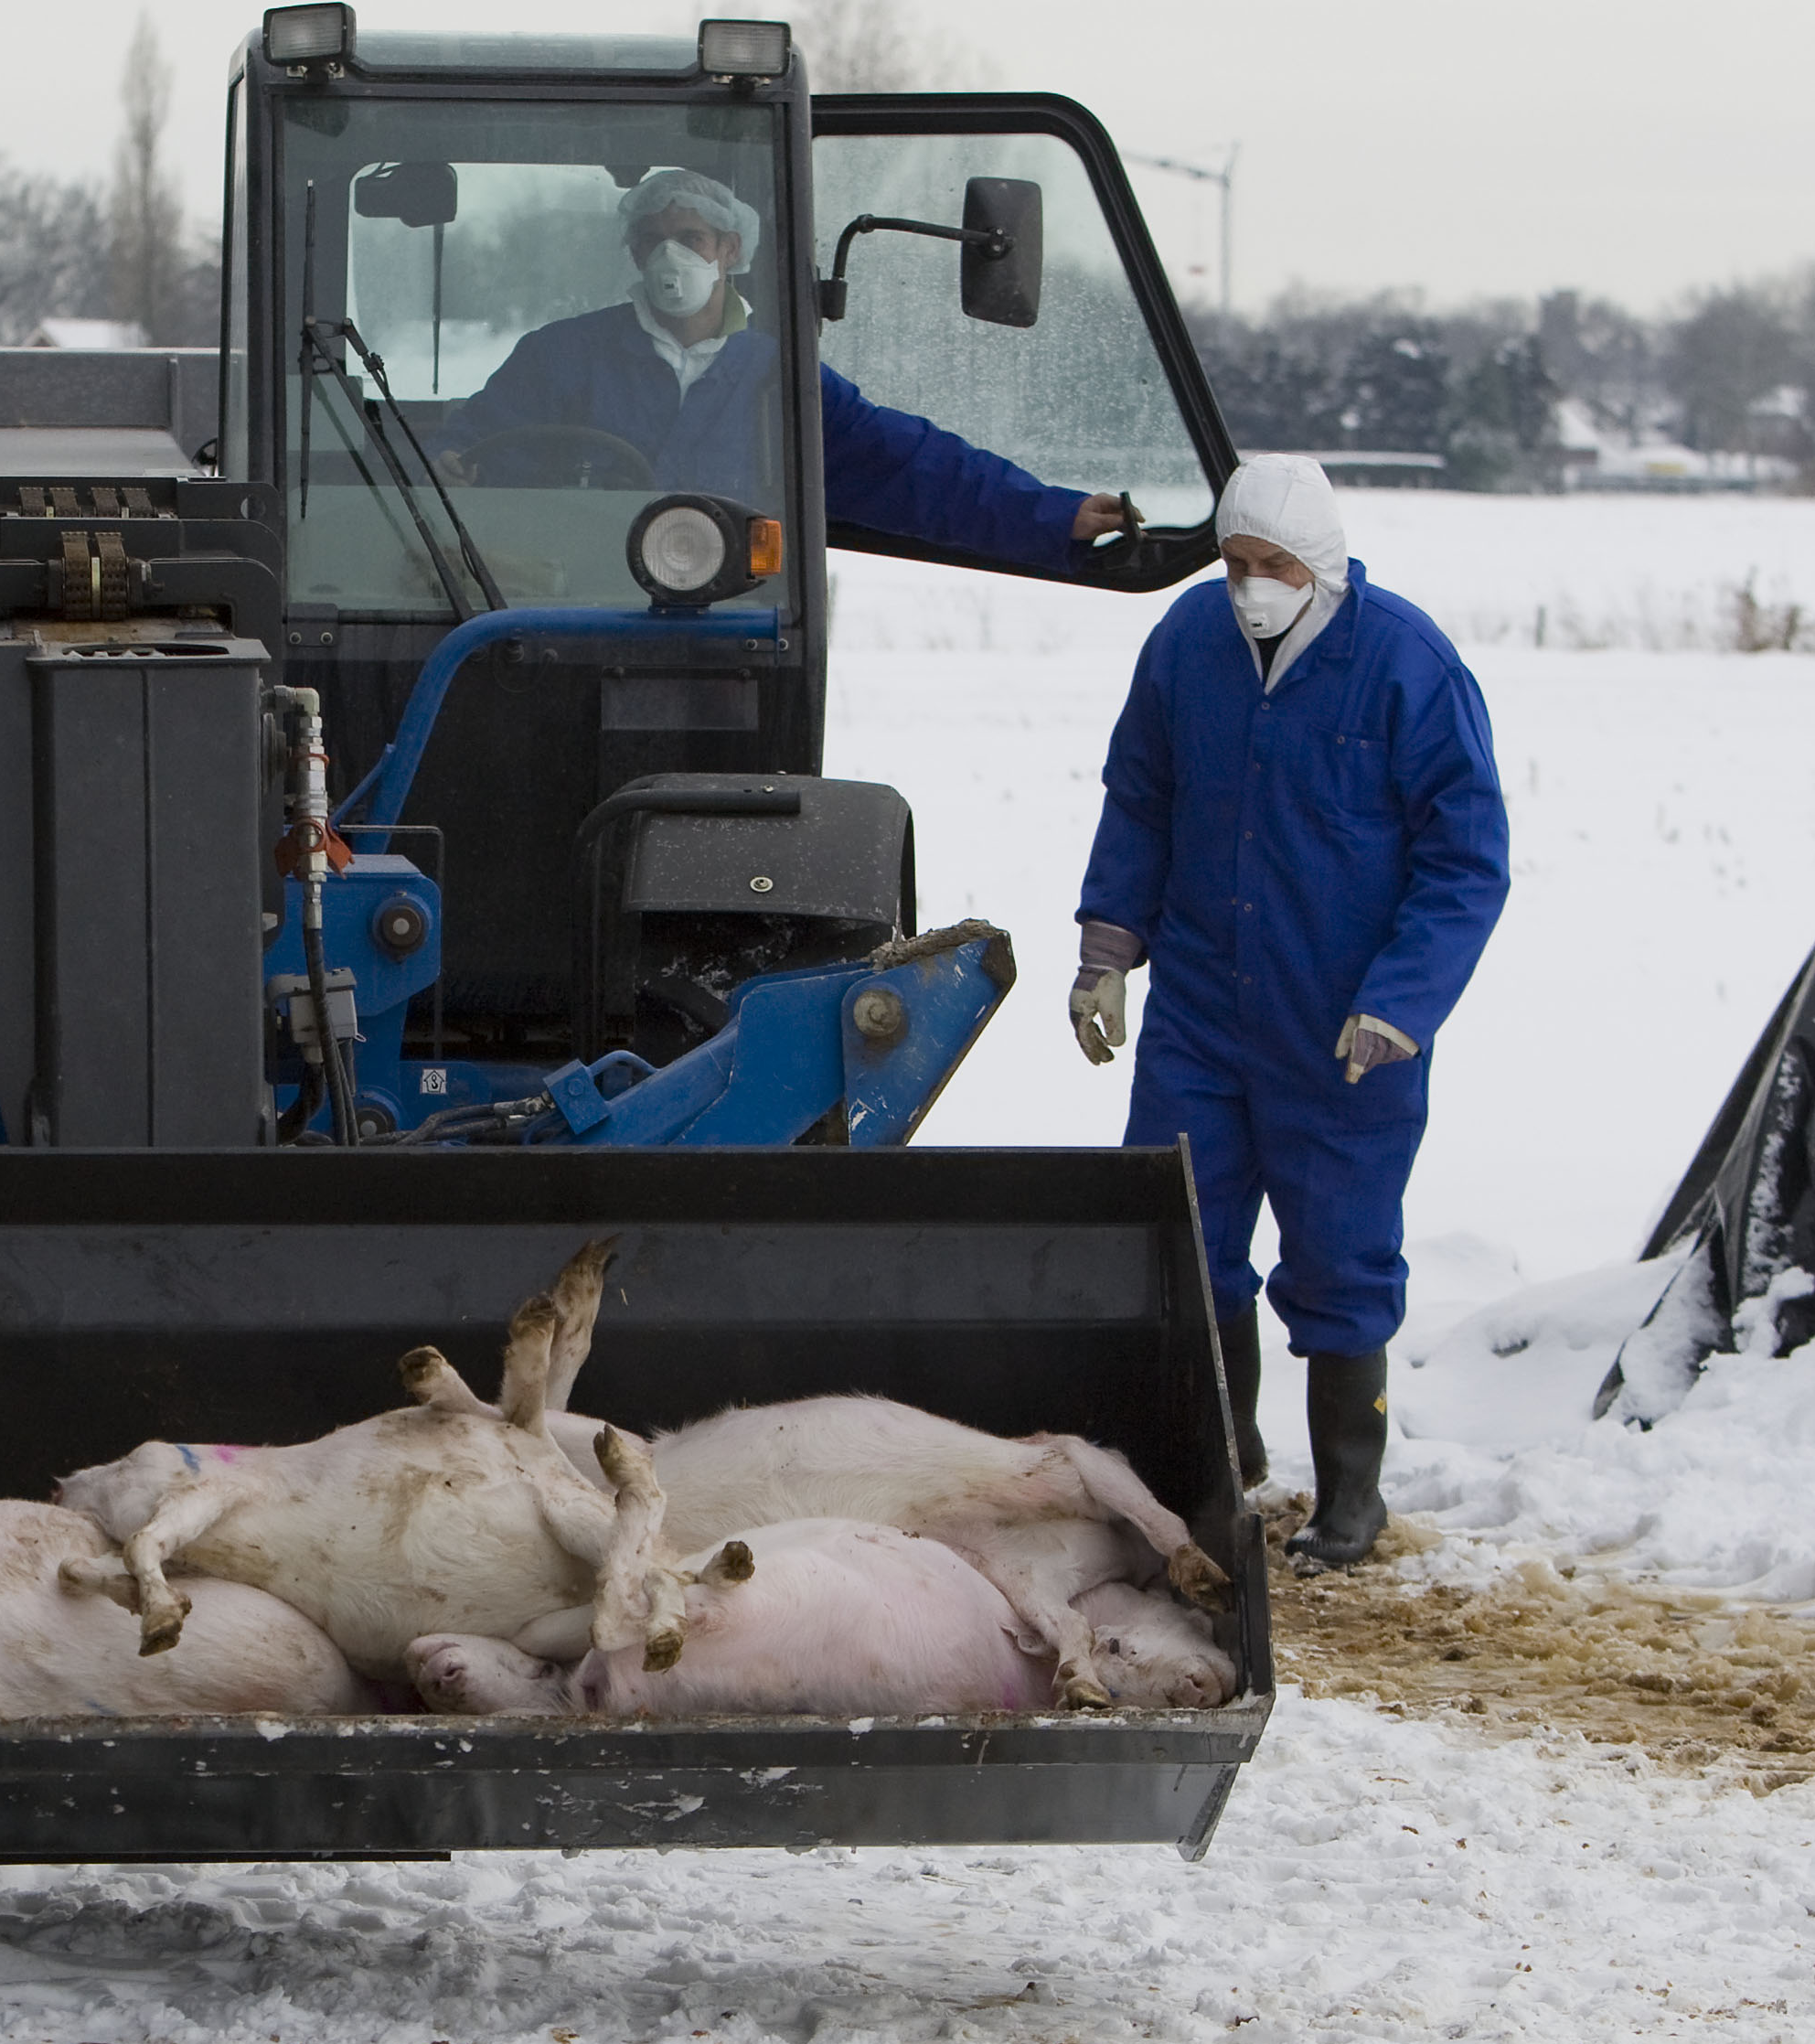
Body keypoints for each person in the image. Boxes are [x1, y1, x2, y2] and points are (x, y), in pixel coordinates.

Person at [1067, 455, 1510, 1568]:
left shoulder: (1408, 666)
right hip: (1205, 1015)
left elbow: (1465, 861)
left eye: (1271, 566)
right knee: (1181, 1235)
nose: (1249, 585)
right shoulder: (1186, 647)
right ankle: (1225, 1463)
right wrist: (1109, 952)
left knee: (1341, 1261)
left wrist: (1400, 1005)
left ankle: (1351, 1500)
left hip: (1346, 1030)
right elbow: (1141, 799)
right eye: (1233, 563)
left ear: (1320, 567)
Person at [445, 166, 1127, 566]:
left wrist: (1053, 515)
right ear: (631, 254)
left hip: (734, 638)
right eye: (651, 240)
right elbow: (467, 452)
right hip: (564, 625)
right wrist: (450, 462)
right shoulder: (562, 358)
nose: (668, 257)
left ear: (730, 250)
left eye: (690, 238)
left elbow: (915, 466)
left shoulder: (782, 379)